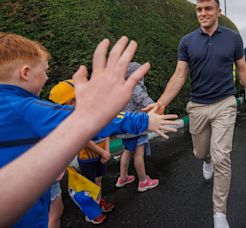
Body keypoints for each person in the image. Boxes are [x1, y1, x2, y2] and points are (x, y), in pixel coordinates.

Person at [0, 33, 178, 227]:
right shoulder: (24, 108)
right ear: (25, 73)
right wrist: (145, 120)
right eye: (44, 71)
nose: (47, 76)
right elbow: (89, 120)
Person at [143, 1, 246, 227]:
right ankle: (206, 160)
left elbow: (243, 69)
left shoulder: (233, 38)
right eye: (199, 9)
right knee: (200, 153)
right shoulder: (187, 41)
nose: (203, 13)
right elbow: (179, 75)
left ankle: (219, 213)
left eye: (208, 8)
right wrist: (160, 104)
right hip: (197, 106)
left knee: (222, 157)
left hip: (225, 103)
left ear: (218, 11)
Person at [49, 80, 115, 224]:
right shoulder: (74, 119)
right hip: (87, 158)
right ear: (71, 102)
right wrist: (103, 153)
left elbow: (106, 131)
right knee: (88, 185)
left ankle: (98, 202)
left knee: (98, 180)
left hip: (101, 155)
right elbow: (84, 140)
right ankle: (91, 213)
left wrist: (107, 151)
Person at [115, 62, 159, 192]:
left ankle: (122, 177)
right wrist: (157, 106)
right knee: (139, 153)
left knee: (127, 151)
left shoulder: (120, 88)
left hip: (124, 127)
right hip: (137, 127)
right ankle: (143, 181)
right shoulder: (135, 87)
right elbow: (146, 101)